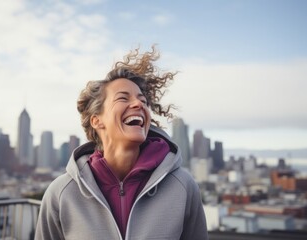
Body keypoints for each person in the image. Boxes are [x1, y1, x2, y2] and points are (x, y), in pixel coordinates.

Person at [35, 47, 208, 240]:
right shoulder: (61, 193)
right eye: (123, 98)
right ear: (96, 120)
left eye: (142, 100)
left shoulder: (183, 186)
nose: (139, 104)